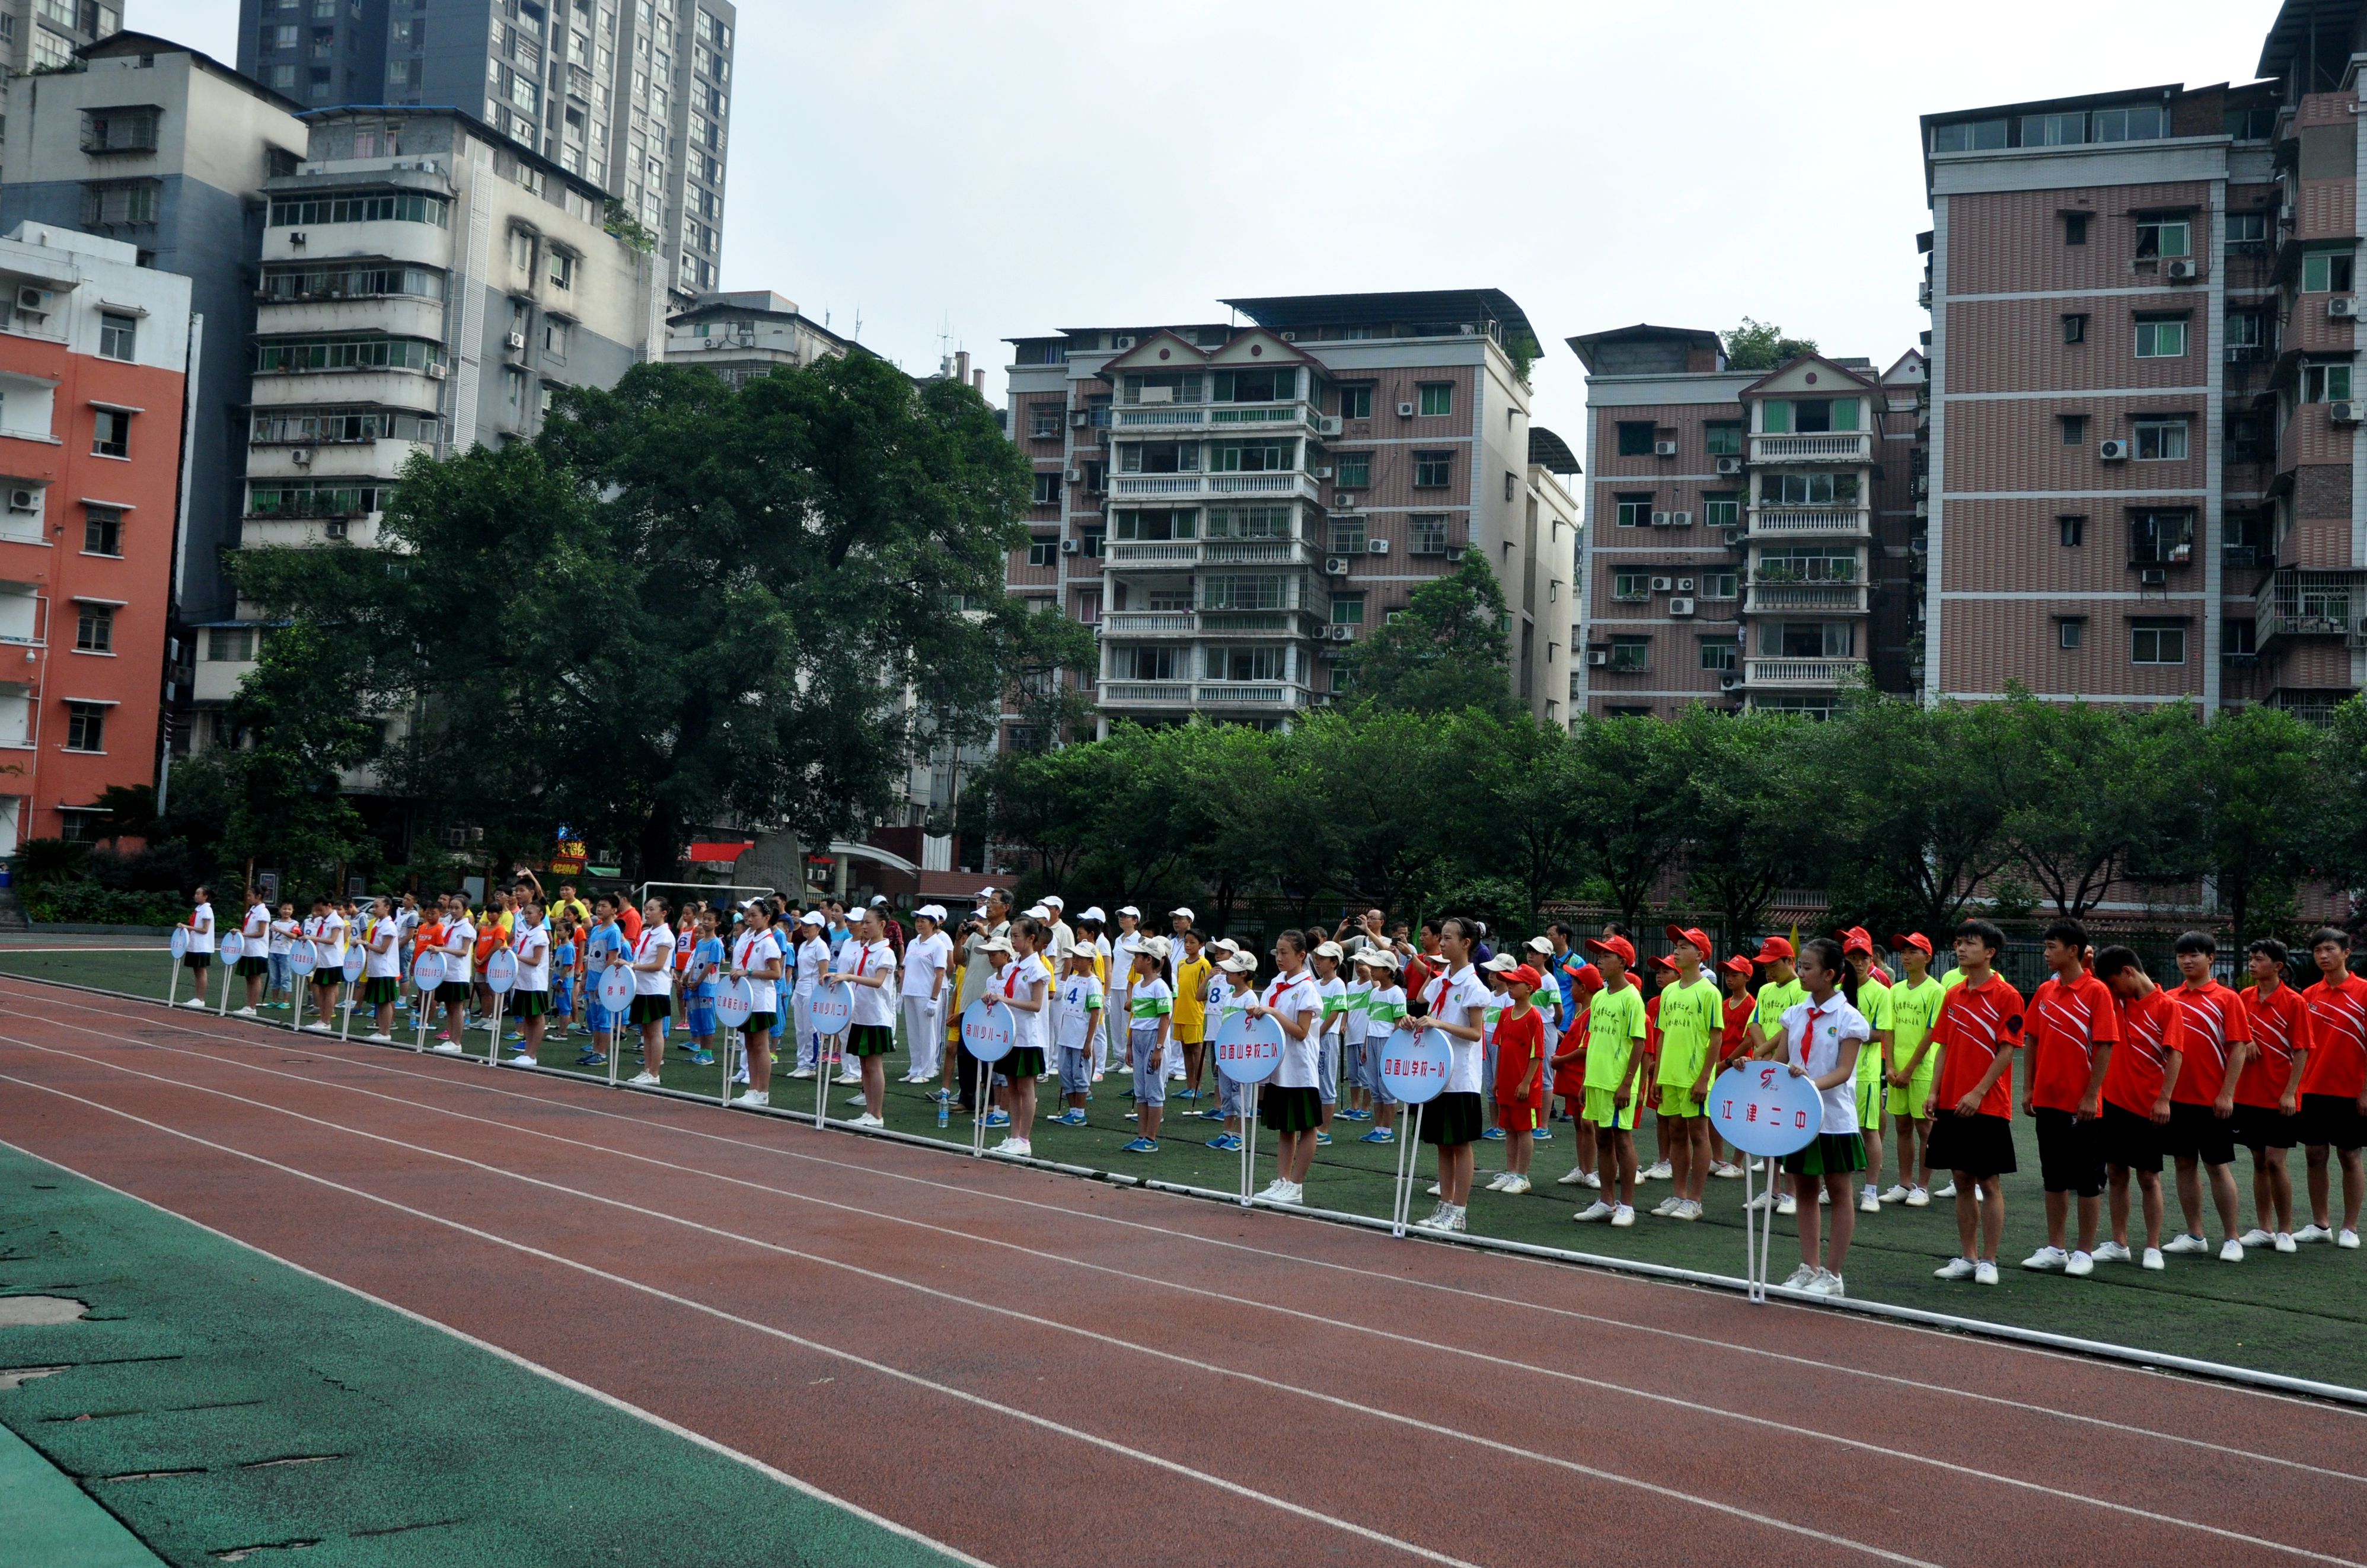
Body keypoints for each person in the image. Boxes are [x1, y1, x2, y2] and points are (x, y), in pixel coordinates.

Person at [1926, 919, 2027, 1286]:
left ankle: (1989, 1260)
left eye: (1969, 943)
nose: (1960, 949)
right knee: (1961, 1178)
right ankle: (1967, 1256)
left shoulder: (2007, 995)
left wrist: (1978, 1091)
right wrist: (1936, 1092)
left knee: (1989, 1182)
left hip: (1987, 1104)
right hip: (1952, 1102)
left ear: (1990, 952)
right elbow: (1944, 1046)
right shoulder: (1953, 994)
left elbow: (2007, 1050)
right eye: (1958, 943)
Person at [2019, 918, 2119, 1277]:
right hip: (2048, 1101)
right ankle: (2056, 1247)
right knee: (2053, 1176)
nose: (2046, 953)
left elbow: (2105, 1045)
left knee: (2088, 1178)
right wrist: (2029, 1087)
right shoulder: (2046, 991)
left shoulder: (2097, 992)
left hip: (2083, 1105)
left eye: (2051, 947)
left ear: (2073, 950)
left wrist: (2092, 1095)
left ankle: (2084, 1251)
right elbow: (2031, 1038)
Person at [1775, 937, 1873, 1298]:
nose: (1800, 973)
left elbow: (1845, 1071)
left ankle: (1833, 1274)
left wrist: (1808, 1086)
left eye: (1807, 967)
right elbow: (1780, 1062)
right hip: (1798, 1117)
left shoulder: (1849, 1019)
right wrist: (1749, 1069)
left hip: (1833, 1119)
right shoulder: (1795, 1014)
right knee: (1803, 1189)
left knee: (1839, 1190)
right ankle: (1809, 1267)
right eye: (1800, 966)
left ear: (1830, 974)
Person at [2161, 930, 2253, 1263]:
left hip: (2214, 1101)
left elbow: (2239, 1048)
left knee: (2217, 1166)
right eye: (2182, 956)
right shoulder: (2169, 999)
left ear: (2211, 959)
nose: (2187, 961)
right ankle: (2195, 1234)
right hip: (2177, 1100)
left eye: (2194, 955)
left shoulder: (2228, 998)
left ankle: (2232, 1238)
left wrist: (2227, 1093)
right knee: (2184, 1164)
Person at [1396, 918, 1493, 1232]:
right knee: (1441, 1143)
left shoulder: (1474, 986)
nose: (1443, 943)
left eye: (1449, 938)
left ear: (1466, 943)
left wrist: (1439, 1025)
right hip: (1436, 1075)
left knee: (1460, 1144)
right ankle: (1445, 1205)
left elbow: (1476, 1033)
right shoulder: (1440, 983)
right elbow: (1427, 1010)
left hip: (1461, 1077)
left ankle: (1459, 1210)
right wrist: (1413, 1022)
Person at [2091, 944, 2181, 1270]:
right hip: (2113, 1103)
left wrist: (2164, 1099)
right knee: (2116, 1173)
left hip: (2148, 1106)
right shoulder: (2116, 1001)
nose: (2112, 990)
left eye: (2114, 982)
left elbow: (2175, 1055)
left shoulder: (2168, 1006)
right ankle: (2119, 1242)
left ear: (2128, 971)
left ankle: (2153, 1246)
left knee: (2149, 1177)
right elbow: (2092, 984)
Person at [2232, 937, 2313, 1255]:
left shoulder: (2294, 1002)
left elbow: (2302, 1050)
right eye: (2251, 957)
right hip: (2248, 1094)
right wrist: (2246, 1039)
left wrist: (2291, 1093)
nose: (2252, 963)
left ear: (2278, 966)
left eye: (2260, 959)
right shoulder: (2244, 997)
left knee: (2275, 1162)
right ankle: (2264, 1228)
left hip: (2280, 1096)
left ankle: (2285, 1230)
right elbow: (2236, 1035)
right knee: (2257, 1160)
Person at [2298, 927, 2367, 1248]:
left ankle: (2350, 1228)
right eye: (2317, 951)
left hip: (2351, 1091)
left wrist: (2365, 1090)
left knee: (2350, 1156)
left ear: (2346, 953)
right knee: (2314, 1155)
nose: (2323, 956)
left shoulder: (2365, 991)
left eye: (2329, 950)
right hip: (2313, 1089)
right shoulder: (2309, 995)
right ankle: (2320, 1224)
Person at [1574, 934, 1650, 1225]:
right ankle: (1606, 1201)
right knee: (1602, 1138)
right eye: (1599, 955)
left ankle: (1627, 1205)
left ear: (1622, 962)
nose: (1599, 961)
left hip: (1618, 1083)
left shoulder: (1632, 998)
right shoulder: (1602, 997)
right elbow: (1594, 1041)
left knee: (1622, 1139)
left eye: (1606, 956)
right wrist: (1585, 1080)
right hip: (1597, 1081)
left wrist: (1628, 1083)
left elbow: (1639, 1043)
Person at [1650, 927, 1722, 1221]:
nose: (1676, 952)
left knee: (1698, 1134)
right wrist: (1656, 1075)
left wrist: (1705, 1078)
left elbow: (1716, 1037)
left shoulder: (1709, 992)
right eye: (1676, 946)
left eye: (1683, 947)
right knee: (1676, 1133)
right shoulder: (1668, 991)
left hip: (1695, 1077)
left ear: (1700, 955)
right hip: (1670, 1075)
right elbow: (1663, 1034)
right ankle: (1678, 1194)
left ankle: (1695, 1200)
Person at [1251, 931, 1325, 1205]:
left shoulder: (1306, 988)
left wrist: (1274, 1013)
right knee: (1285, 1127)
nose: (1279, 958)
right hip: (1279, 1067)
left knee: (1307, 1127)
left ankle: (1297, 1184)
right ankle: (1282, 1180)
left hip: (1300, 1069)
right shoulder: (1276, 983)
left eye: (1285, 953)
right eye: (1277, 952)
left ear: (1301, 956)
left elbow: (1302, 1032)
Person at [1880, 933, 1948, 1207]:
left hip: (1922, 1071)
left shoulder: (1936, 990)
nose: (1906, 956)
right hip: (1897, 1070)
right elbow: (1889, 1030)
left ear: (1927, 957)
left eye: (1913, 951)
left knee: (1925, 1128)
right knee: (1902, 1126)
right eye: (1904, 952)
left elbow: (1932, 1034)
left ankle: (1923, 1187)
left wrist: (1908, 1070)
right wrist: (1891, 1067)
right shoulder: (1895, 990)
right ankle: (1904, 1183)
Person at [1837, 928, 1894, 1213]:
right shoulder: (1837, 990)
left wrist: (1849, 1033)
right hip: (1836, 1072)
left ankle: (1871, 1190)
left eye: (1863, 957)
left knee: (1869, 1129)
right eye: (1852, 957)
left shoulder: (1881, 992)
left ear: (1871, 959)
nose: (1857, 963)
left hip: (1866, 1072)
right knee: (1835, 1128)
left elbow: (1881, 1032)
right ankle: (1831, 1186)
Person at [827, 905, 897, 1127]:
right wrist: (837, 975)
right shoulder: (862, 950)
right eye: (863, 922)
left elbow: (878, 982)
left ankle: (877, 1114)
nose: (864, 927)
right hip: (859, 1013)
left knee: (874, 1065)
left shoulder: (885, 952)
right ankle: (869, 1111)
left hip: (876, 1016)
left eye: (868, 923)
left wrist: (848, 977)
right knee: (864, 1065)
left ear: (882, 925)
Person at [991, 916, 1054, 1156]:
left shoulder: (1038, 969)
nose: (1013, 940)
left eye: (1017, 936)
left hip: (1029, 1036)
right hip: (1010, 1035)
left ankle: (1025, 1139)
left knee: (1026, 1088)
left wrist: (1005, 1000)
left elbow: (1037, 1005)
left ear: (1031, 939)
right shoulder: (1011, 967)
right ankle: (1014, 1136)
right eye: (1012, 936)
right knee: (1012, 1086)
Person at [1488, 965, 1548, 1196]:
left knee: (1524, 1130)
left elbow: (1538, 1054)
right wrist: (1497, 1079)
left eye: (1515, 983)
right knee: (1510, 1128)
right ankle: (1511, 1172)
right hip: (1506, 1082)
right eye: (1509, 983)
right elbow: (1502, 1048)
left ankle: (1522, 1176)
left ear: (1530, 988)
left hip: (1526, 1085)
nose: (1510, 986)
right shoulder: (1505, 1014)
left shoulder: (1534, 1017)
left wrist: (1526, 1083)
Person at [1550, 959, 1604, 1187]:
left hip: (1583, 1076)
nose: (1569, 989)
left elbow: (1586, 1048)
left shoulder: (1594, 1013)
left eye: (1573, 984)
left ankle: (1590, 1170)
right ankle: (1583, 1168)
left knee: (1587, 1123)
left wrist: (1561, 1059)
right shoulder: (1582, 1012)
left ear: (1583, 988)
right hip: (1573, 1077)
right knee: (1578, 1123)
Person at [1122, 939, 1174, 1153]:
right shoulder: (1139, 987)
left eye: (1137, 957)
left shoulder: (1160, 986)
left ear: (1149, 960)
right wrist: (1129, 1045)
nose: (1134, 961)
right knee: (1141, 1091)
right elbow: (1135, 1019)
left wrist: (1159, 1048)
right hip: (1139, 1041)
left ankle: (1151, 1139)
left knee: (1154, 1091)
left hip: (1153, 1040)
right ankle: (1141, 1136)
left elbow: (1165, 1018)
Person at [730, 903, 784, 1109]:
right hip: (747, 999)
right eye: (747, 915)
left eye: (754, 916)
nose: (749, 919)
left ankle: (763, 1091)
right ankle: (752, 1089)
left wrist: (748, 972)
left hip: (762, 1000)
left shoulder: (768, 942)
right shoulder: (750, 938)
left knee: (760, 1046)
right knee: (750, 1045)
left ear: (767, 917)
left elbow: (775, 973)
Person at [1205, 950, 1260, 1153]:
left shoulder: (1250, 998)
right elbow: (1224, 1027)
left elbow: (1253, 1029)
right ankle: (1227, 1132)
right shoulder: (1229, 997)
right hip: (1226, 1053)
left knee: (1242, 1096)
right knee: (1227, 1094)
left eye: (1232, 971)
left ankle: (1240, 1135)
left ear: (1244, 974)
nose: (1227, 973)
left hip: (1242, 1056)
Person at [623, 895, 677, 1088]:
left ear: (664, 913)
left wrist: (631, 965)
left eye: (652, 909)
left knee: (655, 1031)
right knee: (645, 1031)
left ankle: (654, 1073)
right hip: (642, 987)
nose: (647, 912)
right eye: (646, 908)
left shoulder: (666, 936)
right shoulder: (646, 934)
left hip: (656, 989)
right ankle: (646, 1070)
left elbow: (659, 965)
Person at [1357, 949, 1406, 1145]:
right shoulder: (1374, 993)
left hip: (1387, 1042)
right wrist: (1365, 1046)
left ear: (1388, 971)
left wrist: (1393, 1048)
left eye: (1376, 968)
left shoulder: (1396, 993)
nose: (1373, 970)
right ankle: (1378, 1128)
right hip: (1373, 1041)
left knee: (1387, 1087)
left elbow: (1399, 1023)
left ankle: (1387, 1129)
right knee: (1374, 1086)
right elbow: (1370, 1021)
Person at [1052, 944, 1103, 1126]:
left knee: (1080, 1073)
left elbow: (1095, 1013)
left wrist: (1088, 1041)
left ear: (1090, 961)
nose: (1075, 960)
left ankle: (1079, 1112)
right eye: (1074, 957)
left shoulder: (1094, 983)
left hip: (1080, 1037)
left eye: (1080, 958)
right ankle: (1073, 1111)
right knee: (1065, 1073)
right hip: (1067, 1035)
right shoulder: (1072, 979)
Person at [900, 906, 952, 1086]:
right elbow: (906, 968)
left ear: (933, 923)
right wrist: (901, 993)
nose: (919, 923)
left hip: (926, 994)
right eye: (918, 920)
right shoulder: (914, 942)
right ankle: (915, 1068)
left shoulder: (938, 944)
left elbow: (940, 973)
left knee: (927, 1033)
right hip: (910, 993)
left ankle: (927, 1070)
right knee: (914, 1034)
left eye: (924, 920)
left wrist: (934, 999)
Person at [1310, 940, 1350, 1148]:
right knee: (1314, 1081)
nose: (1317, 962)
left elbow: (1335, 1013)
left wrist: (1318, 1033)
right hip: (1314, 1038)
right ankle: (1315, 1126)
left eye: (1322, 959)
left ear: (1334, 963)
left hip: (1326, 1038)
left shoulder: (1338, 984)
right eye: (1316, 959)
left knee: (1326, 1081)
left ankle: (1324, 1130)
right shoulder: (1315, 984)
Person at [508, 897, 554, 1065]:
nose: (526, 916)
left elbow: (536, 961)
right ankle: (526, 1052)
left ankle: (532, 1054)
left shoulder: (541, 935)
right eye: (525, 913)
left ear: (540, 915)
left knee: (536, 1017)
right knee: (527, 1017)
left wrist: (515, 956)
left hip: (535, 983)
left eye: (530, 913)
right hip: (522, 980)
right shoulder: (527, 931)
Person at [1173, 929, 1214, 1104]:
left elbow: (1205, 990)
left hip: (1194, 1012)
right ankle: (1189, 1085)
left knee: (1196, 1050)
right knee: (1185, 1050)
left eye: (1192, 942)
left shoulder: (1204, 965)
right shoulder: (1181, 964)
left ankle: (1198, 1087)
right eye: (1186, 942)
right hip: (1180, 1012)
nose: (1188, 945)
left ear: (1201, 945)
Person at [789, 911, 831, 1080]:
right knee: (800, 1030)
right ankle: (802, 1063)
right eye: (804, 925)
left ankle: (811, 1065)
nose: (805, 928)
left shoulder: (821, 946)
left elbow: (824, 974)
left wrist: (820, 996)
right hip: (800, 989)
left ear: (819, 928)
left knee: (811, 1030)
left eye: (809, 925)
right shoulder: (805, 945)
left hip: (812, 992)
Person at [683, 908, 725, 1071]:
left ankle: (708, 1054)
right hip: (695, 985)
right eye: (705, 919)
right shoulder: (701, 943)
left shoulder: (715, 943)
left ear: (717, 923)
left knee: (707, 1020)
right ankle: (700, 1051)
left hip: (707, 986)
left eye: (710, 920)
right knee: (697, 1018)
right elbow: (696, 962)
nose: (706, 922)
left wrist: (698, 981)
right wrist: (688, 978)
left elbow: (710, 965)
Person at [358, 895, 403, 1042]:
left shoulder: (389, 926)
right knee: (380, 1001)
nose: (374, 909)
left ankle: (385, 1032)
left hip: (385, 969)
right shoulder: (378, 924)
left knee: (385, 1001)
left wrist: (364, 944)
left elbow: (383, 949)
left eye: (377, 906)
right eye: (374, 906)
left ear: (387, 907)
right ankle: (381, 1030)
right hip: (377, 968)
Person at [234, 889, 271, 1015]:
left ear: (259, 896)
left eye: (250, 895)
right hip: (248, 949)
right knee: (248, 978)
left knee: (255, 978)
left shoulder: (263, 912)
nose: (248, 898)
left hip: (257, 950)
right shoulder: (251, 911)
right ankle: (249, 1005)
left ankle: (252, 1007)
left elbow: (261, 933)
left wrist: (242, 934)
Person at [180, 886, 216, 1007]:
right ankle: (197, 997)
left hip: (202, 945)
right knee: (197, 972)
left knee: (201, 971)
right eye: (196, 894)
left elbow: (205, 929)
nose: (196, 896)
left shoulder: (206, 910)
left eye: (198, 894)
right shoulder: (199, 909)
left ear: (205, 896)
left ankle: (201, 999)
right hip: (194, 944)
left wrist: (187, 927)